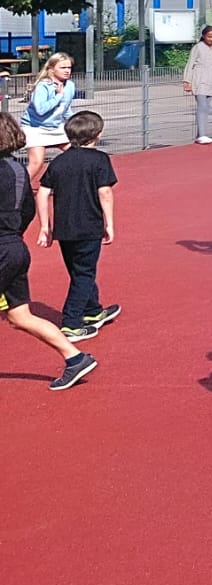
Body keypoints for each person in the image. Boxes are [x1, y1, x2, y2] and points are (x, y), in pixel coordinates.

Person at [0, 113, 96, 390]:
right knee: (20, 317)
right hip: (14, 248)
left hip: (4, 250)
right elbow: (26, 209)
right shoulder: (18, 170)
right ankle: (75, 357)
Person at [34, 111, 120, 343]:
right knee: (84, 273)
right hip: (88, 226)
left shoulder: (59, 162)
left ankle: (92, 310)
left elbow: (42, 193)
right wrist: (109, 223)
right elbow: (105, 192)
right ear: (98, 135)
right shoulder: (100, 160)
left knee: (79, 270)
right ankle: (71, 322)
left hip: (65, 228)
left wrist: (45, 225)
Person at [21, 53, 76, 186]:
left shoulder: (70, 86)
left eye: (69, 67)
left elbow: (66, 108)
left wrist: (75, 123)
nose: (67, 70)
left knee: (77, 154)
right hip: (35, 128)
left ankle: (65, 184)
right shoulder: (43, 86)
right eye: (63, 67)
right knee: (37, 162)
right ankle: (19, 189)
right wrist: (58, 96)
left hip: (56, 127)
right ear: (51, 69)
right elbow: (40, 110)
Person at [183, 24, 212, 144]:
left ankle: (201, 134)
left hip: (210, 79)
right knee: (202, 107)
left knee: (207, 108)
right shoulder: (198, 47)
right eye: (209, 36)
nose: (211, 39)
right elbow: (190, 64)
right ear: (204, 36)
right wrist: (187, 81)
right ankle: (202, 135)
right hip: (199, 80)